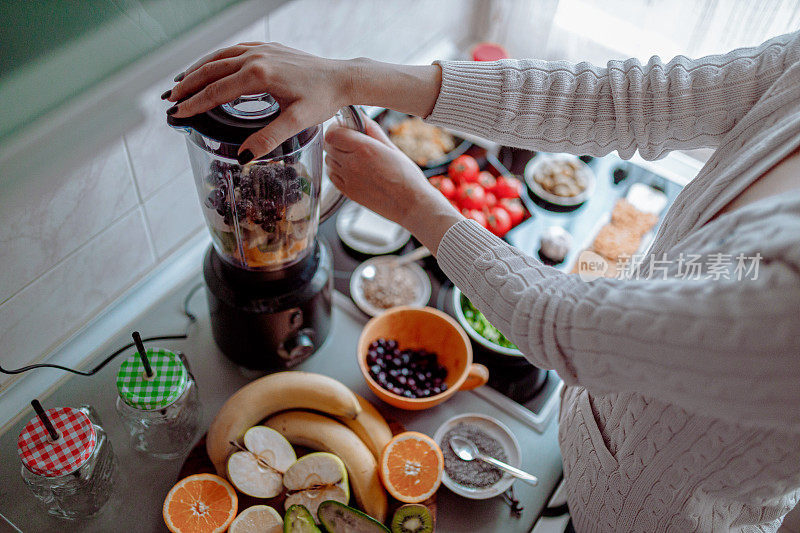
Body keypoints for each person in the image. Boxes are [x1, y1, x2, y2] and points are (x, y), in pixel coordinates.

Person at [164, 33, 800, 532]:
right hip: (578, 447)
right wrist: (347, 77)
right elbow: (625, 100)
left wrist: (419, 210)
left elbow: (569, 325)